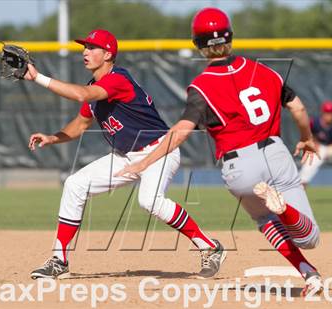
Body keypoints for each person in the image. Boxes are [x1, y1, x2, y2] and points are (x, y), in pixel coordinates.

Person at [116, 8, 323, 296]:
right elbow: (298, 108)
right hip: (275, 153)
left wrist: (144, 163)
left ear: (197, 45)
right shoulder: (265, 71)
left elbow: (181, 131)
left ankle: (308, 272)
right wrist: (307, 138)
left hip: (238, 167)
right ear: (231, 38)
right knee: (309, 237)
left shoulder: (201, 86)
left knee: (265, 221)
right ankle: (286, 211)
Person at [24, 29, 226, 279]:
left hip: (159, 150)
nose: (85, 52)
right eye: (84, 47)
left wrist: (37, 78)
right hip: (125, 156)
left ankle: (210, 247)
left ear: (108, 54)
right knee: (75, 184)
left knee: (149, 200)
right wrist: (53, 137)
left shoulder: (118, 79)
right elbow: (79, 125)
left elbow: (80, 95)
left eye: (92, 47)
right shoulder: (93, 87)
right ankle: (59, 260)